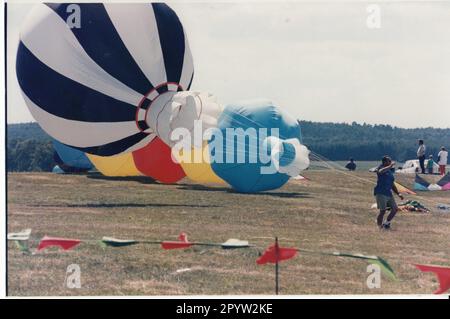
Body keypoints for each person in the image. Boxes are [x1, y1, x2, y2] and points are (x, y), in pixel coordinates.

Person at [374, 156, 404, 230]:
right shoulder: (380, 168)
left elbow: (392, 184)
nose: (390, 162)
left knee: (395, 209)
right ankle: (379, 227)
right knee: (382, 211)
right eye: (389, 161)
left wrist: (398, 193)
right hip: (381, 192)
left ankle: (386, 223)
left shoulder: (390, 171)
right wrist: (390, 166)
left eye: (390, 161)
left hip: (388, 193)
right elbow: (381, 171)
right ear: (384, 162)